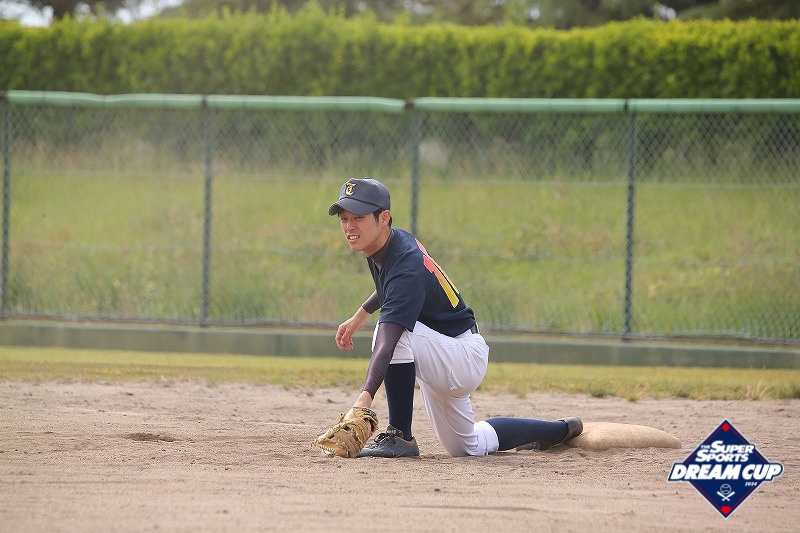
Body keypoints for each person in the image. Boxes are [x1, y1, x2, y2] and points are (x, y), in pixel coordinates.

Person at [329, 177, 582, 458]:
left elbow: (389, 337)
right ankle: (559, 430)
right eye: (344, 218)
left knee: (389, 334)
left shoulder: (404, 265)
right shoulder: (392, 242)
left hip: (461, 354)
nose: (349, 226)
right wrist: (361, 314)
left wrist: (364, 400)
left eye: (359, 217)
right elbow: (394, 286)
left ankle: (400, 436)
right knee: (467, 446)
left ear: (384, 218)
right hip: (444, 350)